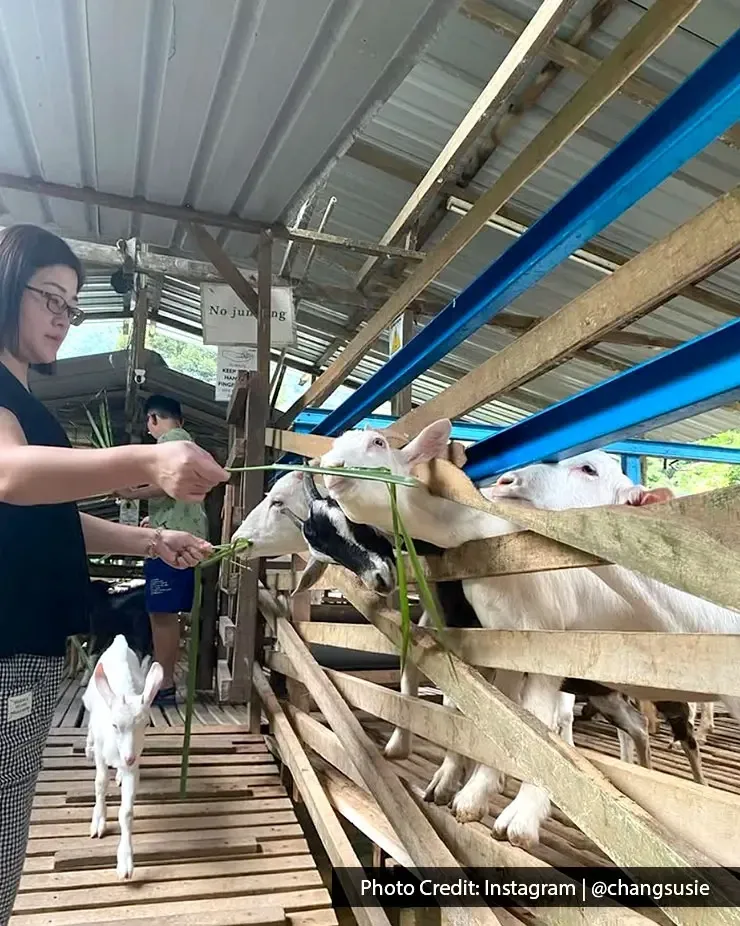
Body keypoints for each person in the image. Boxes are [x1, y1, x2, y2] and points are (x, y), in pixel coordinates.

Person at [0, 224, 229, 924]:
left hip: (27, 649)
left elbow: (49, 516)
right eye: (50, 299)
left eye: (72, 306)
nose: (63, 320)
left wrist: (150, 540)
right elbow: (9, 474)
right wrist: (143, 461)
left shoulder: (26, 397)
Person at [117, 395, 211, 705]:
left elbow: (169, 482)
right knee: (169, 612)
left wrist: (130, 490)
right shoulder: (191, 447)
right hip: (187, 536)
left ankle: (165, 684)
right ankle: (166, 678)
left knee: (162, 614)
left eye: (148, 424)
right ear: (181, 419)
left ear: (153, 420)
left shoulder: (167, 445)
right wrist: (153, 517)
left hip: (171, 545)